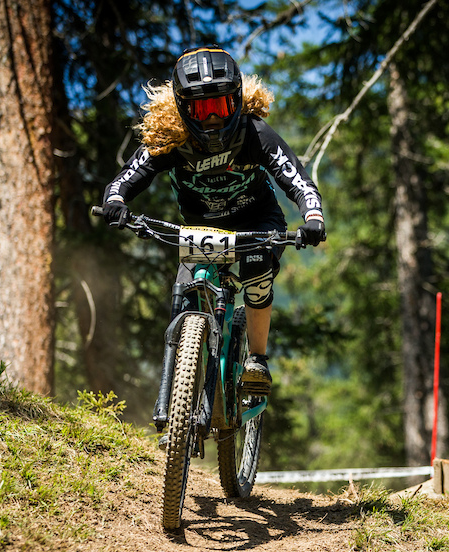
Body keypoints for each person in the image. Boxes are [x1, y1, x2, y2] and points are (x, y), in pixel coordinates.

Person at [101, 46, 325, 401]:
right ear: (180, 107)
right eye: (200, 109)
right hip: (199, 227)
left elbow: (297, 180)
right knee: (184, 292)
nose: (211, 120)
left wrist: (312, 216)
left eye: (219, 107)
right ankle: (175, 395)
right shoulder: (170, 136)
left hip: (256, 220)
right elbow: (125, 180)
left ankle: (257, 359)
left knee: (257, 276)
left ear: (236, 100)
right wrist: (115, 202)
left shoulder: (255, 134)